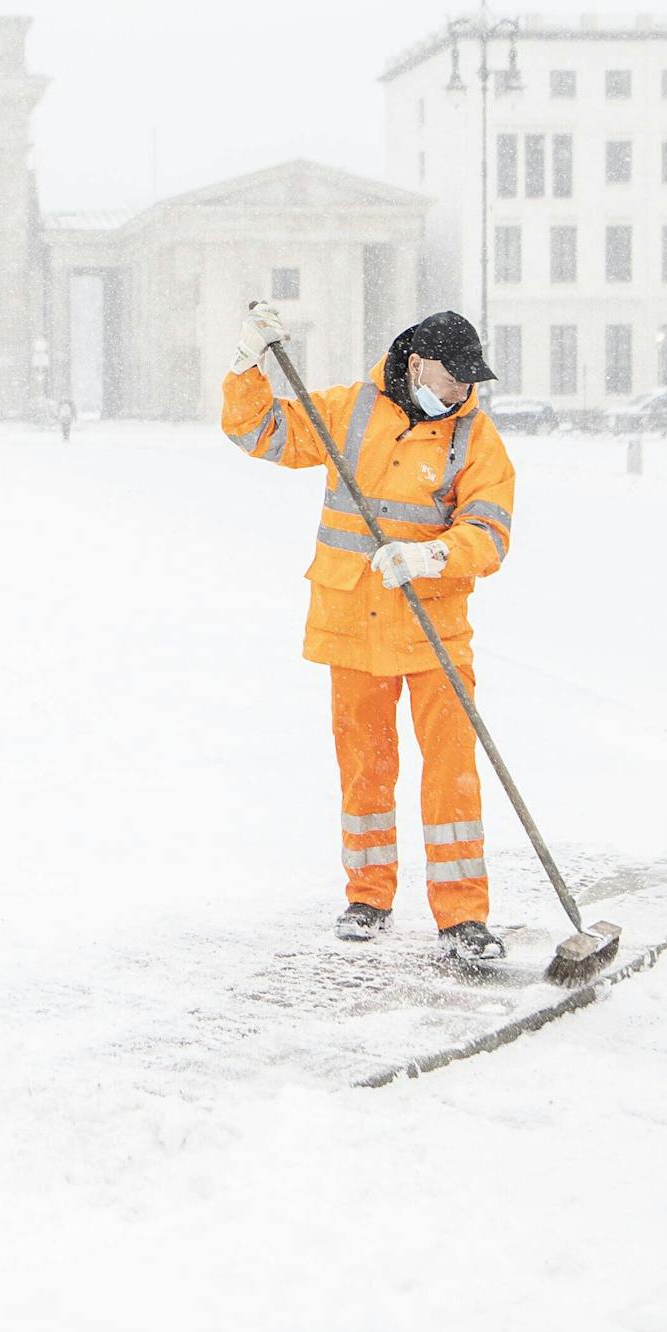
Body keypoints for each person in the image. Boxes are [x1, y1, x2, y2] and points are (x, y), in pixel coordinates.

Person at [223, 304, 517, 967]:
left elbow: (491, 529)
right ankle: (368, 897)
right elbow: (259, 431)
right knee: (365, 772)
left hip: (432, 627)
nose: (461, 392)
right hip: (352, 623)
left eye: (471, 380)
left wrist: (432, 555)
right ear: (416, 364)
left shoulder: (476, 437)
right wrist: (248, 363)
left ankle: (463, 914)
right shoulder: (350, 411)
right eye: (451, 377)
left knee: (452, 778)